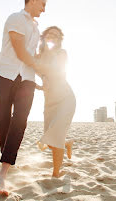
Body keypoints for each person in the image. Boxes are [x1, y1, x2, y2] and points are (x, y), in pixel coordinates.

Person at [0, 0, 48, 196]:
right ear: (32, 0)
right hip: (5, 75)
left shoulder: (37, 29)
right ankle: (4, 167)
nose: (43, 10)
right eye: (42, 4)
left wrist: (41, 78)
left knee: (20, 121)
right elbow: (20, 51)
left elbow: (31, 56)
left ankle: (3, 173)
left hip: (28, 80)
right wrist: (41, 70)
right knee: (3, 122)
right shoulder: (15, 18)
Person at [36, 26, 76, 178]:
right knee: (52, 140)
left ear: (60, 40)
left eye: (57, 36)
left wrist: (45, 78)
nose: (53, 37)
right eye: (50, 34)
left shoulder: (61, 53)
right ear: (44, 37)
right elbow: (30, 68)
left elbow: (56, 69)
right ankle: (66, 143)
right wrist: (38, 85)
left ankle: (55, 174)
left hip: (65, 98)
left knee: (56, 135)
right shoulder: (38, 57)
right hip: (50, 101)